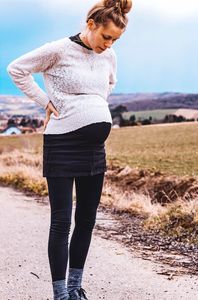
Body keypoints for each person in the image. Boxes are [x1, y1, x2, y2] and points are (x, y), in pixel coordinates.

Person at [7, 0, 133, 299]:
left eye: (115, 40)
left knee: (87, 218)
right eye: (106, 37)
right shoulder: (58, 50)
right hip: (62, 143)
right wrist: (46, 102)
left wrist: (94, 106)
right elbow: (17, 69)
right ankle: (60, 293)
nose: (110, 44)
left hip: (94, 149)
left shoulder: (109, 56)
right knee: (62, 221)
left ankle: (76, 288)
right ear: (91, 25)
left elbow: (110, 83)